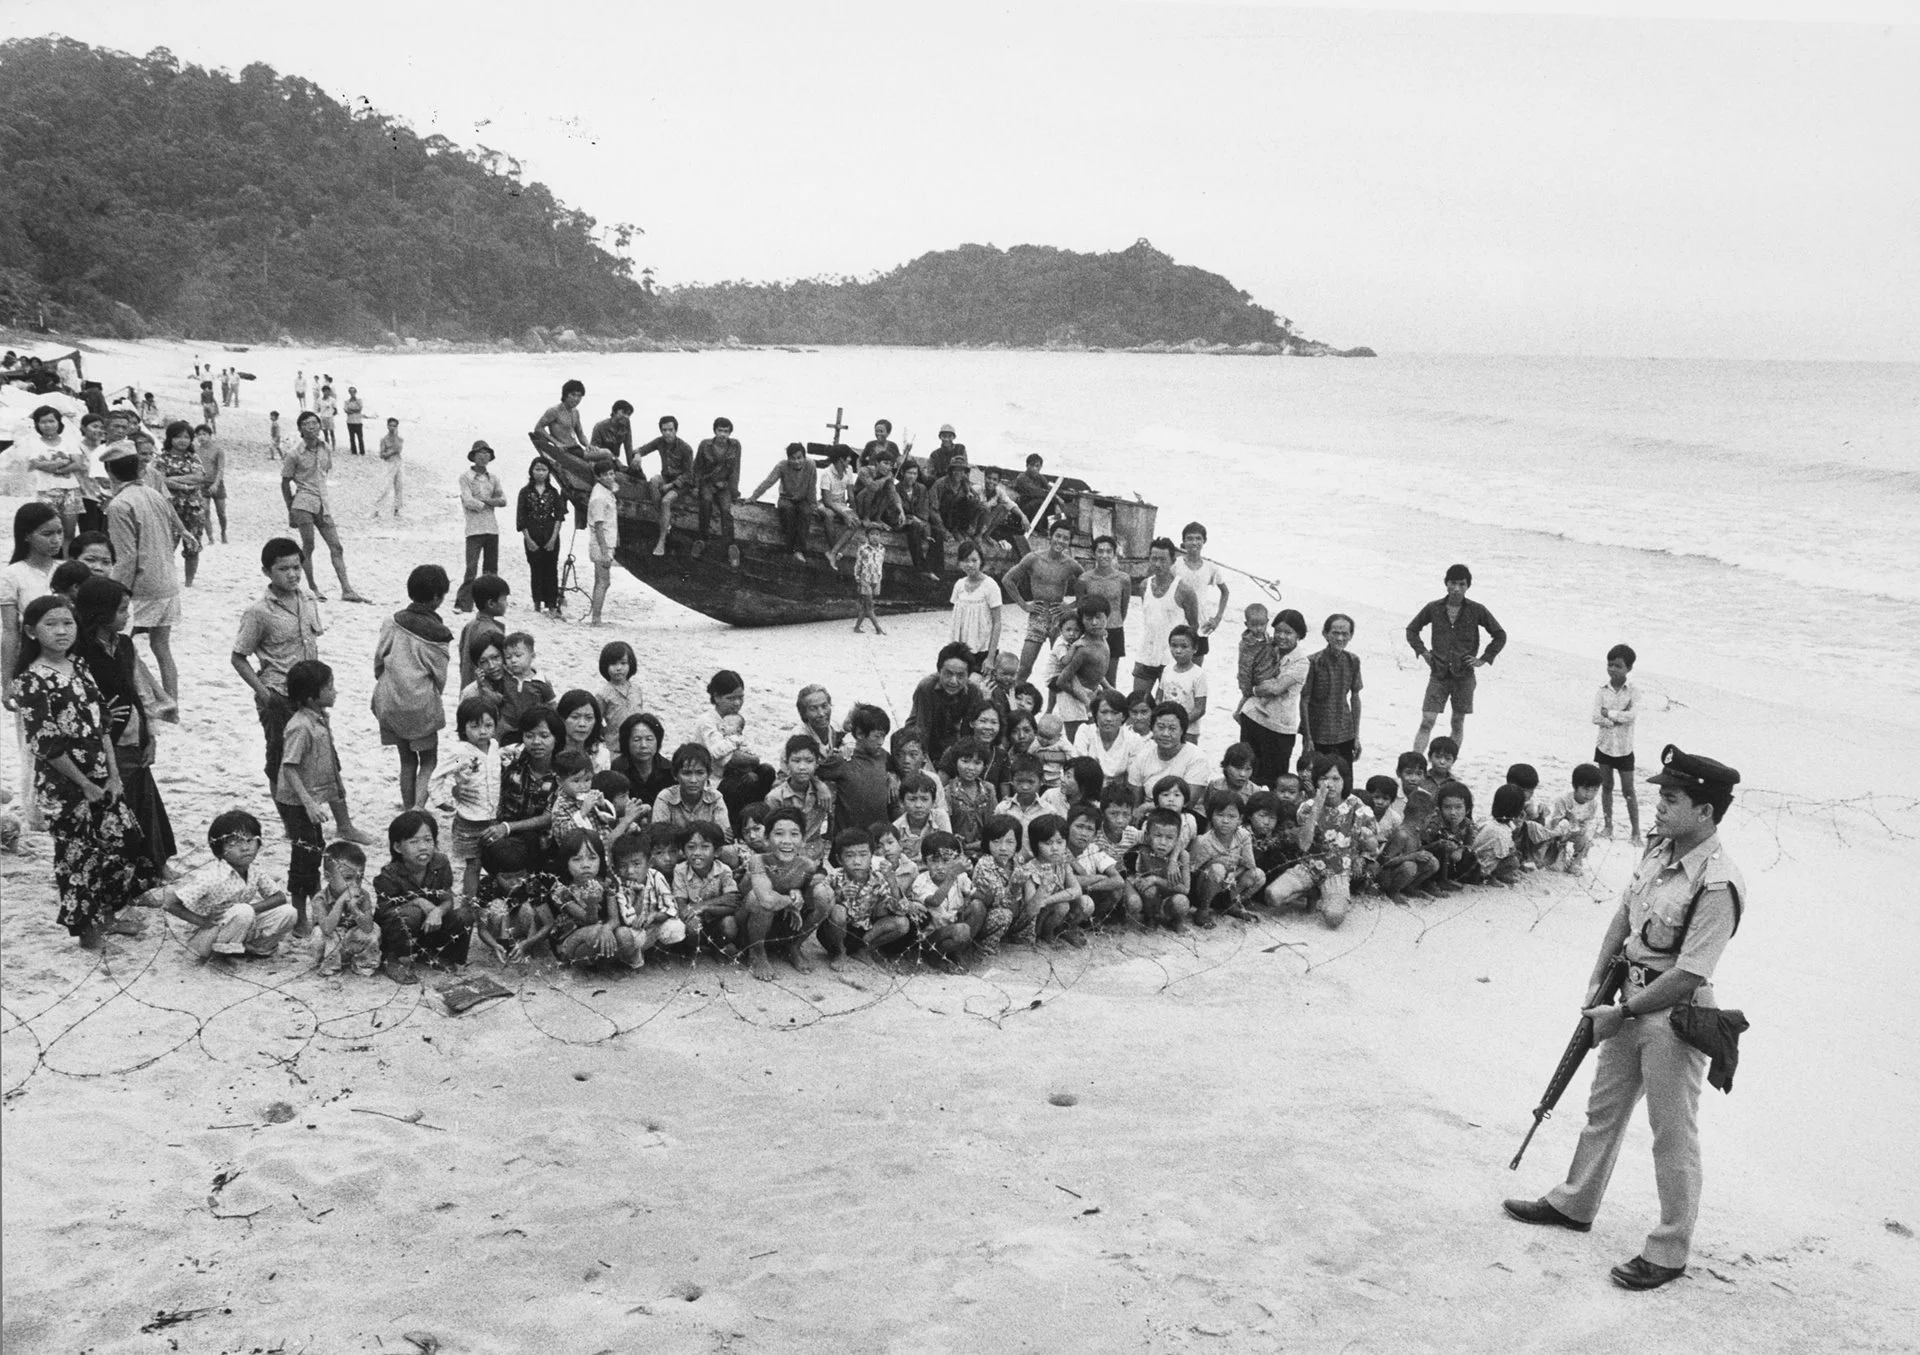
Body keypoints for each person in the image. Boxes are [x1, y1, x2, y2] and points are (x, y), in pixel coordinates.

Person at [1505, 746, 1746, 1292]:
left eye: (1671, 798)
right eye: (1660, 795)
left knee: (1672, 1135)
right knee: (1603, 1111)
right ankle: (1574, 1203)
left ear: (1705, 811)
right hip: (1621, 1002)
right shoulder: (1659, 852)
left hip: (1672, 1017)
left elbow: (1690, 971)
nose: (1657, 806)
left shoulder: (1717, 882)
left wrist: (1621, 1011)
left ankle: (1668, 1250)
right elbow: (1623, 919)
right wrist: (1596, 987)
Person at [11, 593, 154, 944]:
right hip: (64, 784)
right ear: (31, 631)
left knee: (124, 841)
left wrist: (113, 776)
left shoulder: (79, 666)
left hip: (103, 774)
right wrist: (85, 784)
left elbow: (101, 723)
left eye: (67, 623)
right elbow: (46, 745)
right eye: (51, 624)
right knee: (78, 857)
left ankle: (107, 913)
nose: (61, 631)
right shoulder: (31, 680)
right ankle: (88, 931)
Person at [73, 577, 173, 873]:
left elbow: (137, 690)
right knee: (119, 804)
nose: (127, 616)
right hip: (105, 738)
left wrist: (151, 735)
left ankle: (157, 862)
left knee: (146, 800)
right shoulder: (82, 650)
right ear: (100, 613)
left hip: (134, 729)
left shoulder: (125, 645)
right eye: (120, 610)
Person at [133, 810, 296, 961]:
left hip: (238, 924)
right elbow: (170, 903)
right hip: (205, 936)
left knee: (288, 912)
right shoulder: (212, 877)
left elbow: (279, 897)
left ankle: (256, 948)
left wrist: (251, 909)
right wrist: (202, 921)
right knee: (243, 911)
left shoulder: (254, 872)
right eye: (234, 843)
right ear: (220, 850)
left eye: (250, 840)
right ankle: (221, 956)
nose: (245, 847)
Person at [231, 538, 324, 794]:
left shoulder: (308, 598)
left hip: (312, 695)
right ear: (267, 572)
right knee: (281, 761)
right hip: (280, 695)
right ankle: (288, 822)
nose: (293, 574)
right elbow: (238, 658)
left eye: (296, 567)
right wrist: (265, 694)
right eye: (283, 569)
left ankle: (343, 822)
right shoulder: (258, 612)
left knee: (323, 756)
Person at [101, 447, 188, 703]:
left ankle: (148, 698)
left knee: (120, 647)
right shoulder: (153, 494)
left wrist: (114, 593)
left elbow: (127, 557)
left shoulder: (119, 505)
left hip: (143, 586)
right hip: (167, 579)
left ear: (109, 471)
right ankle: (172, 699)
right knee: (161, 647)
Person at [3, 503, 66, 825]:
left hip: (68, 665)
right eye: (47, 533)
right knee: (33, 739)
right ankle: (36, 810)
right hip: (31, 669)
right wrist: (7, 681)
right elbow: (10, 633)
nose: (55, 540)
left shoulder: (66, 569)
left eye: (59, 532)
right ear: (27, 536)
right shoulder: (12, 576)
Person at [371, 565, 452, 810]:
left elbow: (378, 661)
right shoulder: (439, 635)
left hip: (390, 700)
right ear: (437, 598)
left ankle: (408, 810)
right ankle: (418, 809)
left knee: (406, 761)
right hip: (419, 704)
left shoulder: (391, 622)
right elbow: (440, 678)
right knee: (428, 760)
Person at [1405, 563, 1506, 755]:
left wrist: (1484, 658)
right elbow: (1412, 630)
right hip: (1439, 674)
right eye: (1453, 583)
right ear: (1446, 583)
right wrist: (1424, 653)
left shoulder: (1477, 610)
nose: (1457, 589)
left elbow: (1500, 634)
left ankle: (1448, 764)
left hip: (1464, 676)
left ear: (1468, 586)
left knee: (1457, 721)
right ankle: (1416, 761)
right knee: (1427, 720)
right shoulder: (1433, 608)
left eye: (1462, 584)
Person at [374, 811, 474, 982]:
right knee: (412, 914)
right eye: (414, 842)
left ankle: (440, 955)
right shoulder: (389, 875)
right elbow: (383, 914)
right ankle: (393, 959)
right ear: (398, 847)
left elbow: (447, 897)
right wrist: (418, 902)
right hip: (397, 934)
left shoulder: (440, 863)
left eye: (428, 840)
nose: (423, 847)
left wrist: (439, 911)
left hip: (429, 929)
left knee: (465, 915)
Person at [279, 411, 366, 603]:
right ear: (300, 428)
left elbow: (325, 472)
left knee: (337, 547)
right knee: (308, 547)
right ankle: (312, 587)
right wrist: (290, 509)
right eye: (307, 424)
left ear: (320, 425)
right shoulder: (294, 454)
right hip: (303, 503)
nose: (312, 426)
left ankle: (347, 589)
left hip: (323, 503)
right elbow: (285, 482)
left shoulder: (325, 447)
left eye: (315, 423)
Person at [1000, 520, 1084, 683]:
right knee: (1024, 667)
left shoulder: (1071, 565)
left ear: (1069, 542)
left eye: (1065, 538)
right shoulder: (1033, 558)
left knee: (1059, 668)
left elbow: (1087, 587)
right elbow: (1008, 580)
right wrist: (1024, 605)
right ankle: (1014, 701)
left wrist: (1071, 607)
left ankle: (1051, 708)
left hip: (1060, 620)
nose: (1060, 541)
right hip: (1037, 616)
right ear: (1050, 536)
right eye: (1057, 536)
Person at [1237, 608, 1311, 787]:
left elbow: (1276, 688)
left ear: (1299, 635)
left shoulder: (1301, 662)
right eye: (1278, 631)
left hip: (1280, 728)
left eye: (1288, 632)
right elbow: (1247, 665)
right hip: (1252, 718)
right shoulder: (1267, 648)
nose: (1282, 636)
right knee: (1245, 774)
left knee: (1275, 780)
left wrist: (1253, 690)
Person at [1130, 537, 1199, 695]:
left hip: (1172, 658)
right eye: (1154, 559)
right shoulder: (1144, 586)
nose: (1157, 564)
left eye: (1163, 560)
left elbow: (1193, 626)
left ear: (1173, 561)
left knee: (1167, 707)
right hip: (1146, 654)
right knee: (1138, 703)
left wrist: (1186, 658)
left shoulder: (1184, 590)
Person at [1595, 643, 1643, 843]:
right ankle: (1608, 826)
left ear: (1629, 669)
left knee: (1628, 791)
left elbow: (1631, 717)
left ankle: (1636, 832)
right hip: (1604, 746)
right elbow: (1595, 717)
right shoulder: (1602, 690)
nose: (1612, 669)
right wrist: (1614, 718)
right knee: (1606, 787)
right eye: (1610, 664)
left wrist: (1610, 715)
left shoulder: (1633, 692)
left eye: (1618, 666)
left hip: (1624, 749)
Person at [1300, 613, 1363, 764]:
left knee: (1344, 781)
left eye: (1345, 634)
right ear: (1325, 634)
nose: (1340, 638)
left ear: (1351, 636)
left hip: (1345, 733)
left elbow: (1355, 698)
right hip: (1318, 733)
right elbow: (1304, 700)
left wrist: (1356, 736)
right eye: (1335, 633)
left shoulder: (1353, 661)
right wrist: (1307, 738)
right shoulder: (1313, 662)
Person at [909, 643, 985, 767]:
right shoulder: (926, 688)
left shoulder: (973, 692)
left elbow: (970, 731)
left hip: (952, 740)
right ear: (939, 671)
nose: (953, 681)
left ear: (968, 676)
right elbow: (922, 730)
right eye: (948, 674)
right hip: (924, 735)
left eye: (960, 676)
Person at [153, 421, 208, 586]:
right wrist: (185, 485)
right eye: (178, 437)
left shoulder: (194, 457)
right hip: (170, 507)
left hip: (194, 508)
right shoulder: (162, 458)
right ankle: (166, 580)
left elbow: (199, 478)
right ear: (170, 438)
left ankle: (189, 582)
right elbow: (160, 481)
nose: (182, 440)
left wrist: (172, 479)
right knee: (167, 545)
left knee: (193, 545)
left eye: (186, 437)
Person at [455, 441, 508, 612]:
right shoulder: (466, 477)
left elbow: (503, 500)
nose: (483, 456)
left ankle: (488, 604)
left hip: (492, 528)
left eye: (486, 453)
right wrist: (489, 503)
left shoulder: (493, 478)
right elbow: (468, 501)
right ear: (473, 456)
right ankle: (464, 603)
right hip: (474, 528)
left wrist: (485, 502)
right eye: (479, 453)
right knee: (471, 568)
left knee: (491, 570)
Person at [747, 442, 818, 562]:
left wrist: (813, 505)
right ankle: (789, 549)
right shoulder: (782, 466)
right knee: (787, 511)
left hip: (803, 499)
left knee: (806, 513)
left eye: (799, 458)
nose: (796, 461)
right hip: (786, 498)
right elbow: (768, 482)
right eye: (793, 458)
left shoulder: (811, 465)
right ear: (788, 458)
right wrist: (753, 497)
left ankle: (799, 550)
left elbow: (812, 487)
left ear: (804, 457)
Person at [516, 458, 567, 617]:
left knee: (551, 569)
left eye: (544, 470)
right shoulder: (525, 492)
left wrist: (553, 538)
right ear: (531, 471)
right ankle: (537, 603)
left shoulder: (553, 492)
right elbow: (521, 517)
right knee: (535, 569)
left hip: (550, 534)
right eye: (537, 469)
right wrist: (528, 539)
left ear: (548, 472)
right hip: (532, 534)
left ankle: (551, 604)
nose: (540, 472)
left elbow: (559, 516)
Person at [1171, 523, 1229, 662]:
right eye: (1189, 538)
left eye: (1198, 538)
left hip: (1200, 627)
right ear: (1183, 542)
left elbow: (1225, 592)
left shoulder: (1211, 568)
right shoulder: (1175, 565)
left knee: (1195, 672)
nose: (1194, 542)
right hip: (1176, 624)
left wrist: (1217, 618)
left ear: (1204, 541)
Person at [1080, 535, 1131, 685]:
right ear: (1093, 554)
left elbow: (1123, 608)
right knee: (1089, 677)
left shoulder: (1123, 579)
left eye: (1109, 551)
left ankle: (1111, 707)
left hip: (1114, 630)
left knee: (1110, 679)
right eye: (1100, 551)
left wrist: (1113, 622)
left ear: (1114, 554)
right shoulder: (1084, 580)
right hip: (1090, 632)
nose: (1104, 555)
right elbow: (1081, 608)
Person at [691, 417, 741, 560]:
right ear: (715, 431)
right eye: (720, 430)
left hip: (723, 485)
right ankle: (701, 540)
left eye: (726, 431)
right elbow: (697, 467)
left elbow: (736, 470)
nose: (723, 434)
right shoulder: (705, 445)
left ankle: (731, 545)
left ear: (730, 432)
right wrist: (695, 486)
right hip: (707, 483)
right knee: (705, 503)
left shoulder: (735, 445)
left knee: (726, 510)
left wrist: (733, 490)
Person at [948, 540, 1003, 669]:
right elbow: (956, 620)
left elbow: (997, 622)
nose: (970, 564)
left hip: (982, 650)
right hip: (960, 649)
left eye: (974, 560)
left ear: (981, 562)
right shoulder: (959, 585)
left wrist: (990, 657)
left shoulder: (990, 586)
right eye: (965, 560)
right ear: (959, 563)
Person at [586, 458, 620, 625]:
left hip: (604, 542)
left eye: (612, 473)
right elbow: (599, 526)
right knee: (603, 581)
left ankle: (596, 616)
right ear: (599, 477)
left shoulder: (605, 491)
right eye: (606, 475)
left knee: (600, 580)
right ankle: (596, 618)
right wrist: (605, 552)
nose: (611, 477)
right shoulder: (599, 496)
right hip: (601, 544)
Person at [195, 425, 229, 545]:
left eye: (204, 434)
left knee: (221, 512)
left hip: (217, 484)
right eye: (199, 435)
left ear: (210, 435)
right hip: (202, 484)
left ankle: (223, 532)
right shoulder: (195, 451)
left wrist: (216, 484)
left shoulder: (218, 450)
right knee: (205, 511)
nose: (202, 437)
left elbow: (220, 469)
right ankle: (210, 538)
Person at [850, 522, 886, 634]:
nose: (875, 537)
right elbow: (858, 564)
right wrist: (857, 578)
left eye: (877, 534)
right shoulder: (863, 549)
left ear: (880, 536)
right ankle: (878, 628)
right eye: (872, 534)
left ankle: (856, 627)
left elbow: (880, 564)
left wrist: (880, 578)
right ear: (867, 536)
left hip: (876, 580)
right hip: (865, 580)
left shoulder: (882, 549)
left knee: (865, 607)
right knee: (870, 607)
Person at [372, 417, 404, 515]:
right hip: (389, 464)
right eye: (390, 425)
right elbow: (382, 455)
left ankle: (397, 509)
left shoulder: (399, 439)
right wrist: (391, 451)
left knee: (399, 487)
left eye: (394, 426)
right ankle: (377, 509)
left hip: (398, 463)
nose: (392, 428)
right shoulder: (384, 440)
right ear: (387, 426)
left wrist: (395, 449)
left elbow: (399, 450)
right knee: (385, 487)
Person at [591, 400, 634, 465]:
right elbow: (594, 450)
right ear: (614, 411)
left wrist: (633, 467)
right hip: (601, 461)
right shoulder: (600, 426)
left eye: (628, 414)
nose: (626, 416)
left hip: (614, 460)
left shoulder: (625, 426)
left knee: (638, 473)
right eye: (624, 412)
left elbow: (628, 448)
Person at [343, 387, 367, 455]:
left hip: (358, 421)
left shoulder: (359, 400)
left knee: (360, 438)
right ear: (349, 392)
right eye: (351, 392)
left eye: (353, 391)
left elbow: (359, 409)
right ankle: (354, 451)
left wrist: (351, 410)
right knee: (352, 438)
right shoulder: (346, 401)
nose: (352, 393)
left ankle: (362, 451)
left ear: (355, 392)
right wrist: (354, 410)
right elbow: (346, 410)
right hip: (350, 421)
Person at [314, 383, 338, 448]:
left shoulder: (332, 400)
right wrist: (321, 410)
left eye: (328, 391)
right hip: (323, 418)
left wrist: (330, 414)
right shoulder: (319, 400)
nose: (327, 393)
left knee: (332, 432)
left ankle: (333, 446)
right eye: (325, 391)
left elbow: (336, 410)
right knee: (325, 433)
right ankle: (327, 446)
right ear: (323, 392)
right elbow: (317, 409)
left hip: (330, 418)